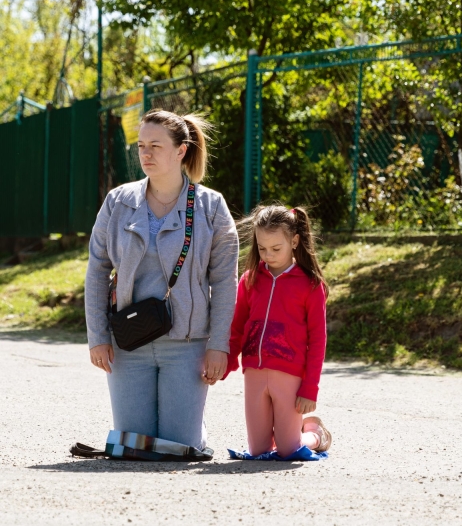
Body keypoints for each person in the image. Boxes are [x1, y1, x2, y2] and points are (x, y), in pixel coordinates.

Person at [84, 108, 239, 452]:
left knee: (179, 447)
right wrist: (97, 337)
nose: (146, 153)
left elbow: (226, 281)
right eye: (141, 146)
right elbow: (97, 270)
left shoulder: (211, 206)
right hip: (128, 342)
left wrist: (218, 345)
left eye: (155, 145)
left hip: (187, 344)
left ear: (181, 150)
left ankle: (190, 424)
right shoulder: (118, 201)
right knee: (135, 447)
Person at [223, 204, 331, 458]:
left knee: (288, 449)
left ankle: (315, 433)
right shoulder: (249, 280)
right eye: (262, 248)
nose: (268, 255)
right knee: (258, 450)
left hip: (290, 376)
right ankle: (288, 431)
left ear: (294, 241)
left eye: (276, 248)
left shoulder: (311, 285)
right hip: (255, 374)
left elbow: (318, 340)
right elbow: (237, 327)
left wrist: (309, 389)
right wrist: (227, 362)